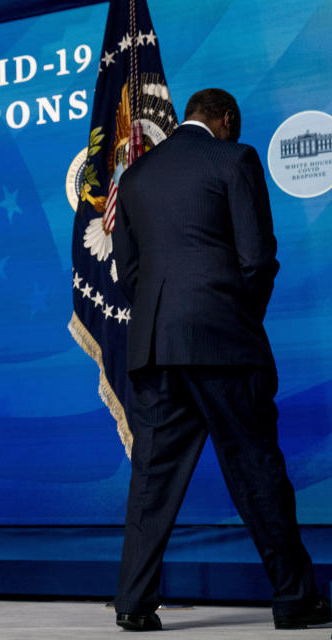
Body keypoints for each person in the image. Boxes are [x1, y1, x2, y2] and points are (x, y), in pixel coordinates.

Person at [111, 88, 330, 631]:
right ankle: (294, 599)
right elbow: (257, 260)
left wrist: (165, 324)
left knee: (151, 480)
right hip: (222, 342)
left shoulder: (134, 177)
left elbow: (129, 273)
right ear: (226, 119)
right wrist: (237, 320)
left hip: (155, 349)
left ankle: (133, 605)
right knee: (256, 468)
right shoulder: (236, 158)